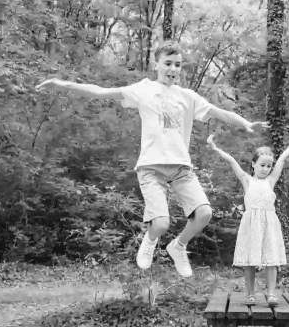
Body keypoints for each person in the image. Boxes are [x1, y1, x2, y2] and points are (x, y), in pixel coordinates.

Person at [36, 41, 266, 278]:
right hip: (150, 167)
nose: (173, 69)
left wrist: (245, 122)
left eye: (178, 65)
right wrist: (62, 84)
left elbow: (220, 112)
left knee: (205, 213)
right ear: (157, 64)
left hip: (181, 168)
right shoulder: (144, 89)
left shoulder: (188, 96)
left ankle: (178, 247)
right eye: (168, 63)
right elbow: (100, 91)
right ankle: (150, 240)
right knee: (161, 224)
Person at [207, 128, 289, 305]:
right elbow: (231, 161)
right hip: (250, 224)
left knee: (271, 259)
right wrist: (214, 147)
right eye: (262, 165)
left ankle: (271, 293)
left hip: (269, 223)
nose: (265, 169)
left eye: (268, 166)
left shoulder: (270, 181)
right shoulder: (247, 180)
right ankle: (250, 293)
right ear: (253, 164)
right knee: (249, 260)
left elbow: (282, 159)